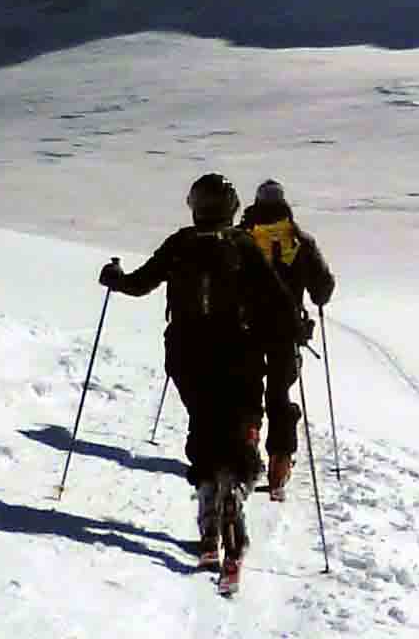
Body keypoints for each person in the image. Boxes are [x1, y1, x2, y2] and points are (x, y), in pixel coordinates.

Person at [99, 171, 293, 588]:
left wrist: (113, 277)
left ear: (195, 206)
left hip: (187, 356)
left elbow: (138, 283)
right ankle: (233, 501)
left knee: (203, 430)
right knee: (241, 429)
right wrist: (295, 328)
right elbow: (278, 299)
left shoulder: (180, 243)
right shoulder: (242, 245)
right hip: (239, 355)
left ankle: (208, 522)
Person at [239, 178, 338, 498]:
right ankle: (279, 465)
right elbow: (322, 289)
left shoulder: (242, 238)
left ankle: (248, 444)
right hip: (286, 330)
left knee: (248, 390)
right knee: (279, 394)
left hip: (247, 328)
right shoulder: (300, 241)